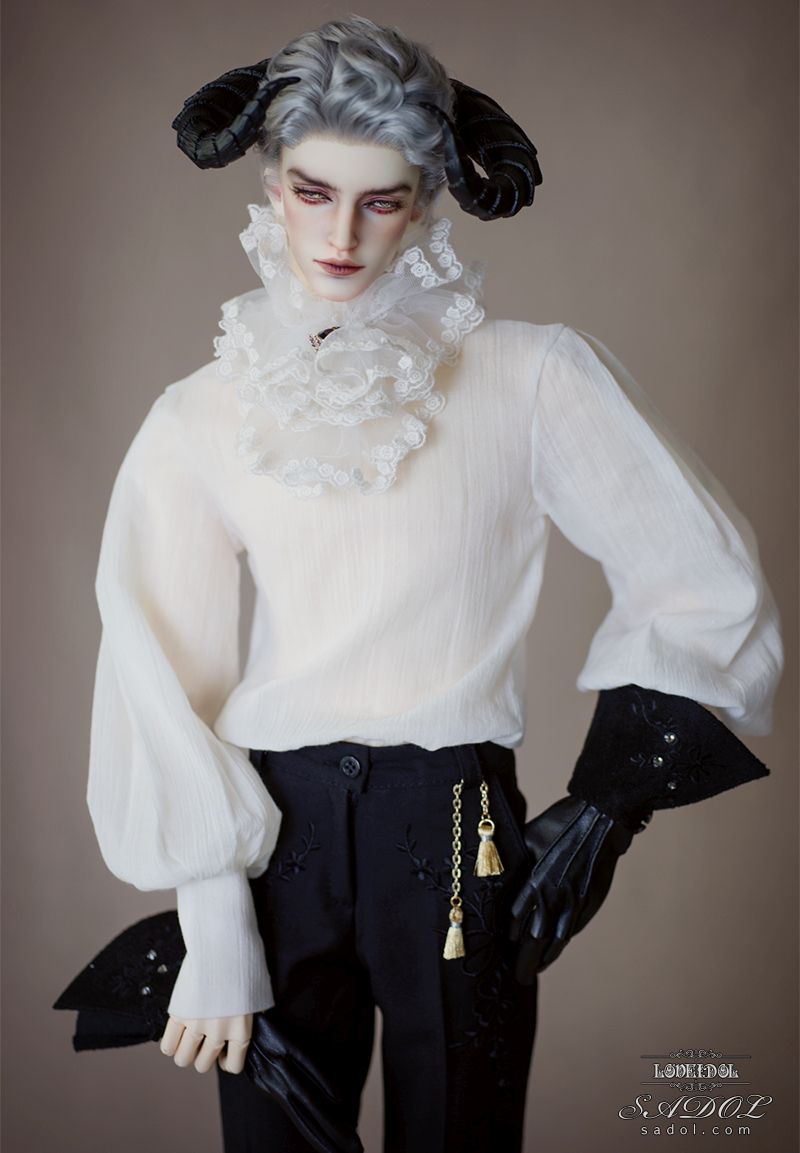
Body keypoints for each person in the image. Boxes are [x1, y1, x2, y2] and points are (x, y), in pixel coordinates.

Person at [82, 15, 782, 1153]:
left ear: (425, 202)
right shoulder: (200, 415)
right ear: (269, 184)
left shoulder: (530, 375)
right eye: (313, 191)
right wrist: (212, 922)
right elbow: (160, 663)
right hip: (276, 842)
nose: (341, 233)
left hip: (460, 833)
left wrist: (608, 803)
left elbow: (703, 576)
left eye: (382, 199)